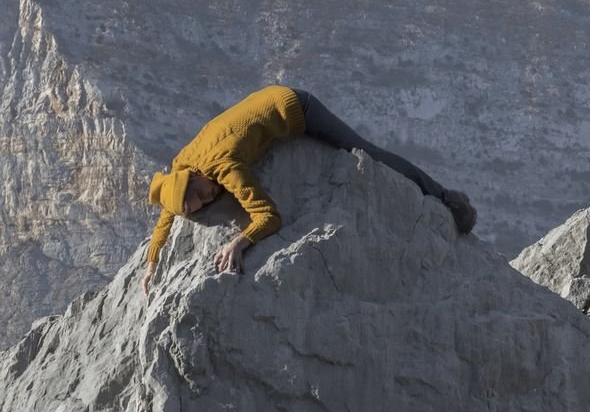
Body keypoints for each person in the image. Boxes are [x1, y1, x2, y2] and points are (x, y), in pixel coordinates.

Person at [143, 85, 476, 295]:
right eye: (199, 205)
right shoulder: (182, 166)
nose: (209, 197)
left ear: (195, 178)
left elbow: (269, 217)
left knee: (365, 153)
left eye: (201, 192)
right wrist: (152, 261)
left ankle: (445, 196)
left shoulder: (224, 167)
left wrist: (238, 243)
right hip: (260, 99)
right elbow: (166, 213)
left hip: (292, 106)